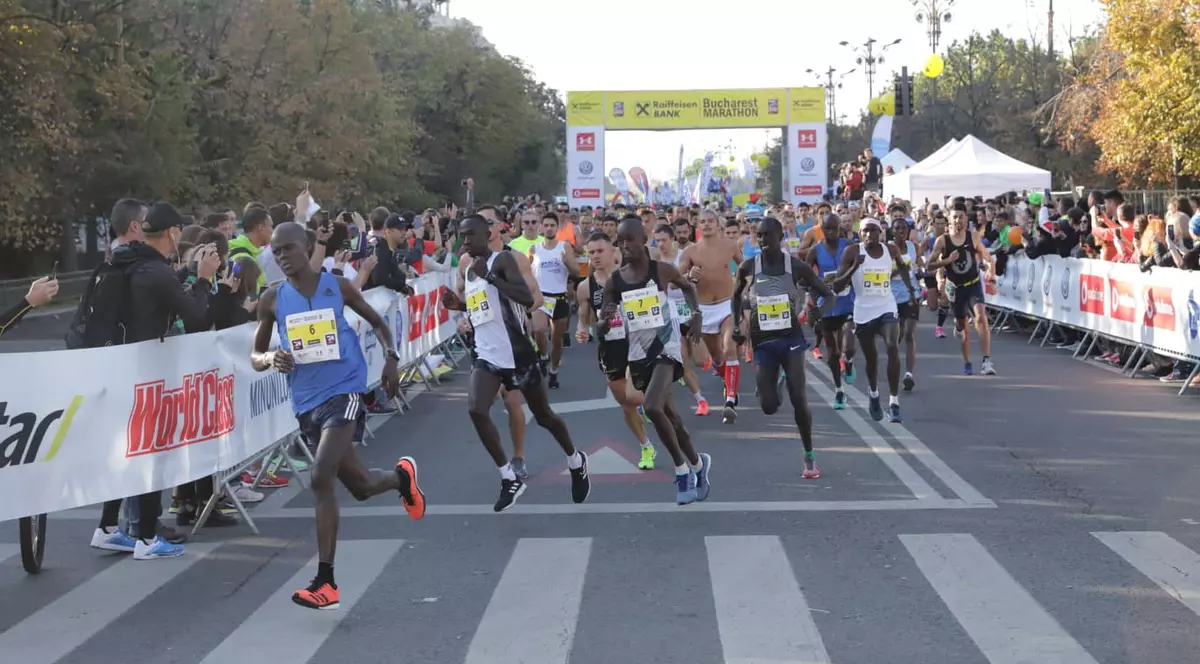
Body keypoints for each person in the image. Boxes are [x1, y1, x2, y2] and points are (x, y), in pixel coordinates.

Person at [251, 222, 427, 610]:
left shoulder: (338, 286)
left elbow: (378, 323)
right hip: (306, 402)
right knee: (360, 486)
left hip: (346, 390)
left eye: (288, 249)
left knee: (319, 475)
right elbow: (256, 356)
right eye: (276, 251)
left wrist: (391, 359)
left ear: (309, 247)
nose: (281, 257)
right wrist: (270, 357)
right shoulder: (272, 299)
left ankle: (325, 581)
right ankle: (402, 478)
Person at [442, 215, 591, 513]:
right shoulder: (469, 267)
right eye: (463, 236)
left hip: (517, 354)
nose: (467, 241)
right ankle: (508, 476)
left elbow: (525, 298)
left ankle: (576, 459)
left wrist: (492, 278)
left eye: (472, 235)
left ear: (489, 234)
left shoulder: (503, 261)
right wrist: (458, 306)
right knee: (476, 409)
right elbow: (483, 305)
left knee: (544, 415)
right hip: (486, 354)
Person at [600, 219, 710, 505]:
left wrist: (696, 314)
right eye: (621, 241)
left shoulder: (661, 270)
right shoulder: (616, 280)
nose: (625, 246)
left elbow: (687, 288)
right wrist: (605, 319)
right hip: (638, 353)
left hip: (667, 346)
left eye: (630, 240)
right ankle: (699, 465)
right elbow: (604, 324)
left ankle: (682, 471)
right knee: (672, 419)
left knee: (650, 406)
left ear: (644, 239)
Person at [732, 218, 834, 478]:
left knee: (799, 397)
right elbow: (735, 296)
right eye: (760, 236)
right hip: (763, 342)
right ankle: (776, 383)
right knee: (768, 406)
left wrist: (818, 314)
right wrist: (737, 325)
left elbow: (828, 294)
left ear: (781, 238)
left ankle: (809, 456)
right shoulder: (748, 267)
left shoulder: (796, 267)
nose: (764, 241)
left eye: (769, 236)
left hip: (791, 340)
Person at [454, 208, 543, 481]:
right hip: (483, 341)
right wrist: (462, 316)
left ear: (495, 228)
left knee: (513, 400)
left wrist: (520, 316)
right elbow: (464, 297)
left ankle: (518, 457)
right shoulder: (465, 261)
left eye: (489, 223)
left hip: (511, 340)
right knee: (484, 401)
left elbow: (534, 297)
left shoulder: (513, 258)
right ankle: (503, 461)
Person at [575, 232, 657, 470]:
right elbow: (583, 319)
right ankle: (646, 446)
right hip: (611, 346)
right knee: (627, 403)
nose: (596, 257)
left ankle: (655, 406)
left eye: (600, 251)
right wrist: (582, 331)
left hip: (639, 341)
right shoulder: (585, 287)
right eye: (591, 253)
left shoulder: (632, 276)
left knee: (636, 395)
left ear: (614, 251)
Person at [830, 218, 918, 423]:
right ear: (859, 233)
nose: (869, 235)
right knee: (872, 359)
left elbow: (903, 268)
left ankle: (894, 402)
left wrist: (912, 291)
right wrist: (854, 267)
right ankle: (874, 394)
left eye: (873, 230)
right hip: (863, 311)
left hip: (886, 306)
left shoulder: (891, 250)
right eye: (865, 231)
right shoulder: (852, 252)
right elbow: (836, 285)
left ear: (881, 232)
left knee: (892, 346)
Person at [678, 209, 743, 423]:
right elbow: (677, 279)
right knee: (713, 359)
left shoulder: (730, 246)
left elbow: (743, 268)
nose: (706, 224)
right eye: (702, 221)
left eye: (710, 221)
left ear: (718, 224)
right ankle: (728, 381)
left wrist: (745, 287)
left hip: (727, 305)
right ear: (698, 226)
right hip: (704, 309)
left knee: (730, 348)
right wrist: (689, 276)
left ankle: (731, 400)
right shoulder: (690, 251)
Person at [927, 206, 996, 376]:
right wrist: (947, 261)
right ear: (949, 220)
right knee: (963, 326)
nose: (958, 220)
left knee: (981, 317)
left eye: (961, 217)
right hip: (956, 289)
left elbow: (987, 257)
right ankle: (967, 361)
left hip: (973, 284)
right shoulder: (942, 241)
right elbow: (929, 265)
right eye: (955, 217)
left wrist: (990, 269)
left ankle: (987, 361)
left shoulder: (973, 237)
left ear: (966, 219)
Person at [805, 212, 858, 410]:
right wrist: (812, 295)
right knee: (832, 352)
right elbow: (805, 275)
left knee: (848, 346)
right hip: (826, 306)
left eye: (834, 228)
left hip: (848, 303)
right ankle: (839, 390)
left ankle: (850, 361)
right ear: (821, 228)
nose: (830, 232)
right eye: (826, 228)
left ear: (839, 229)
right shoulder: (815, 251)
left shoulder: (849, 246)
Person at [529, 212, 579, 388]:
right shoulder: (534, 249)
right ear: (541, 227)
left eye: (552, 225)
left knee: (557, 341)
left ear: (557, 228)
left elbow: (576, 272)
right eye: (546, 225)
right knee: (539, 330)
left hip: (559, 297)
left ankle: (554, 371)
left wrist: (567, 262)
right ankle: (543, 356)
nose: (549, 228)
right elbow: (528, 272)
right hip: (541, 298)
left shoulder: (565, 247)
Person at [889, 216, 922, 390]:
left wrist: (919, 271)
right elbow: (885, 272)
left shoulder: (912, 247)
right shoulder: (887, 249)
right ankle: (894, 366)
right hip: (892, 297)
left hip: (911, 296)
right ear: (892, 231)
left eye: (904, 229)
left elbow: (917, 267)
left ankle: (909, 374)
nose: (901, 232)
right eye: (897, 229)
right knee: (896, 337)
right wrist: (898, 270)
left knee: (909, 334)